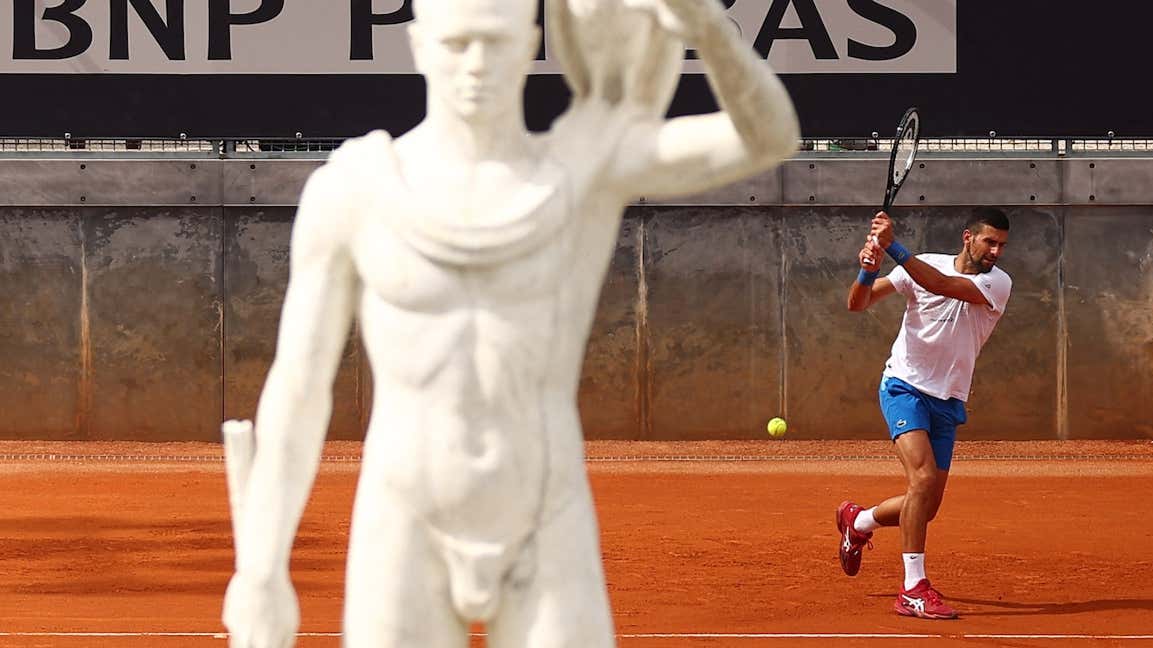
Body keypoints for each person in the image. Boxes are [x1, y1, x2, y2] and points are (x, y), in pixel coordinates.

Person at [219, 0, 799, 646]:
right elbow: (298, 386)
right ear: (418, 45)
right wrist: (261, 568)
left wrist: (705, 30)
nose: (477, 65)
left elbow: (769, 138)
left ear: (529, 47)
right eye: (457, 42)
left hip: (546, 516)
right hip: (403, 520)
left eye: (495, 43)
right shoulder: (355, 189)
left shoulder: (583, 169)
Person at [839, 208, 1012, 619]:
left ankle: (859, 522)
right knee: (922, 479)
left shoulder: (996, 283)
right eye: (989, 241)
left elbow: (940, 284)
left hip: (948, 398)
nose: (996, 251)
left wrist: (891, 245)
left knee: (926, 505)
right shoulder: (922, 264)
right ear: (968, 237)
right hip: (903, 386)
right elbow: (857, 303)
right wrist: (868, 269)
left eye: (1002, 245)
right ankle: (912, 588)